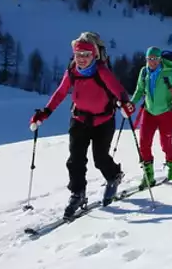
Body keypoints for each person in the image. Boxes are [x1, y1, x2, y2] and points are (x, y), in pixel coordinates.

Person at [29, 32, 136, 218]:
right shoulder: (72, 71)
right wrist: (45, 113)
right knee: (75, 159)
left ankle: (113, 177)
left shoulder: (101, 71)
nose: (82, 59)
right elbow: (61, 93)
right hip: (79, 120)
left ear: (94, 55)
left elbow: (118, 90)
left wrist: (125, 103)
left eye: (86, 55)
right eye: (78, 55)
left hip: (103, 122)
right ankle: (77, 193)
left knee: (100, 158)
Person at [130, 46, 172, 187]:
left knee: (165, 144)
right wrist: (131, 103)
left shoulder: (169, 74)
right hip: (149, 112)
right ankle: (148, 175)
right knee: (144, 143)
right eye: (150, 59)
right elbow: (139, 90)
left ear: (160, 59)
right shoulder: (144, 72)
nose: (152, 62)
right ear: (146, 59)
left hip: (166, 112)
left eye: (155, 59)